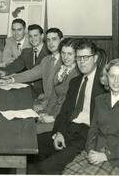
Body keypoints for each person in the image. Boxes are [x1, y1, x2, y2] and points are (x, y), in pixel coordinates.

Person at [63, 59, 119, 175]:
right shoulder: (100, 100)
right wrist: (90, 150)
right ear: (106, 78)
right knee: (68, 172)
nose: (116, 81)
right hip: (97, 151)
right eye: (112, 76)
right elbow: (93, 130)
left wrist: (105, 156)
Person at [34, 38, 106, 175]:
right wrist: (59, 132)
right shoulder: (75, 81)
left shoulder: (105, 82)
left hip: (86, 136)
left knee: (45, 168)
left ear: (95, 58)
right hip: (68, 130)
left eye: (86, 57)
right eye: (78, 58)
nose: (81, 62)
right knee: (31, 147)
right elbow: (64, 112)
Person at [0, 27, 64, 106]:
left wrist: (43, 105)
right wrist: (10, 80)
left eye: (54, 39)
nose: (50, 43)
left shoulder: (66, 61)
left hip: (56, 105)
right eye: (48, 40)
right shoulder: (46, 60)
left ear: (62, 40)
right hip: (45, 102)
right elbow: (32, 73)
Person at [35, 38, 81, 134]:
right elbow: (54, 96)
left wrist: (53, 117)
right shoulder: (61, 69)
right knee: (30, 122)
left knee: (34, 131)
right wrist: (46, 112)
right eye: (63, 53)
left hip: (66, 117)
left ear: (77, 55)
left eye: (69, 54)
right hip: (55, 112)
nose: (65, 57)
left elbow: (70, 102)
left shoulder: (78, 74)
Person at [0, 24, 50, 99]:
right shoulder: (26, 52)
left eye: (35, 35)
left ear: (42, 36)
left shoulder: (50, 53)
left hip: (43, 94)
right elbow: (16, 64)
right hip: (29, 90)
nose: (32, 39)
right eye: (30, 36)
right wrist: (5, 71)